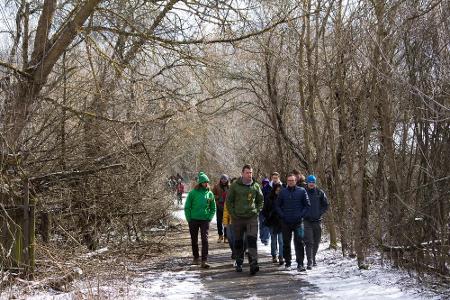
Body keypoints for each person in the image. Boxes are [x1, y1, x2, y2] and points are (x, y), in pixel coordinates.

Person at [227, 164, 264, 275]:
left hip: (251, 218)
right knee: (239, 241)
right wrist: (233, 214)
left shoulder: (256, 186)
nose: (249, 175)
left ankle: (253, 263)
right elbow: (229, 201)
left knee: (252, 240)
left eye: (251, 173)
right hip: (238, 218)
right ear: (242, 173)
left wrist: (257, 211)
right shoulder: (235, 186)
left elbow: (260, 200)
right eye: (247, 173)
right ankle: (239, 262)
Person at [275, 173, 310, 271]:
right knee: (286, 243)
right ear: (287, 181)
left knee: (299, 242)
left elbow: (307, 205)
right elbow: (277, 205)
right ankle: (288, 263)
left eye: (292, 180)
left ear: (296, 181)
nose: (290, 182)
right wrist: (282, 215)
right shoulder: (282, 192)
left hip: (299, 222)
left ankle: (300, 264)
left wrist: (301, 215)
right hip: (286, 222)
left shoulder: (302, 191)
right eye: (289, 181)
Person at [184, 172, 216, 268]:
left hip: (204, 220)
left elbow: (213, 208)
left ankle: (204, 260)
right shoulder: (193, 193)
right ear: (200, 182)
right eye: (204, 182)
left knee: (204, 239)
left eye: (207, 182)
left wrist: (209, 218)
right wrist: (189, 219)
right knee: (194, 239)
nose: (206, 183)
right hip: (193, 219)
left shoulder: (210, 194)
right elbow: (187, 207)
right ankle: (196, 258)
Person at [304, 175, 329, 269]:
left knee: (316, 241)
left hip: (317, 221)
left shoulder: (320, 193)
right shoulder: (303, 192)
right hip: (306, 221)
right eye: (310, 182)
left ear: (315, 183)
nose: (311, 184)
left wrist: (319, 213)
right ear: (307, 182)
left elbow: (326, 205)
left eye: (313, 182)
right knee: (309, 241)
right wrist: (303, 213)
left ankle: (313, 257)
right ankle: (309, 262)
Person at [262, 182, 284, 265]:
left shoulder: (284, 198)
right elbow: (264, 210)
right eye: (277, 190)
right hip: (272, 222)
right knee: (273, 240)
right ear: (274, 190)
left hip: (281, 222)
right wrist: (268, 216)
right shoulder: (269, 198)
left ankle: (281, 256)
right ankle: (274, 255)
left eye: (280, 190)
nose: (278, 191)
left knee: (281, 240)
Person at [212, 174, 230, 243]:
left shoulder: (230, 187)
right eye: (222, 179)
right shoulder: (216, 186)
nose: (223, 180)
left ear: (227, 180)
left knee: (226, 222)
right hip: (219, 206)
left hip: (227, 207)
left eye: (225, 179)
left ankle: (226, 237)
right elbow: (212, 195)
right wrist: (219, 197)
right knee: (219, 222)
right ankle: (220, 236)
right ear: (220, 179)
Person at [259, 178, 271, 245]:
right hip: (261, 210)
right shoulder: (260, 190)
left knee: (266, 225)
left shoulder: (271, 191)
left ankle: (266, 239)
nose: (265, 184)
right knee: (261, 225)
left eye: (266, 183)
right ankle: (262, 237)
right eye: (264, 183)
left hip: (268, 211)